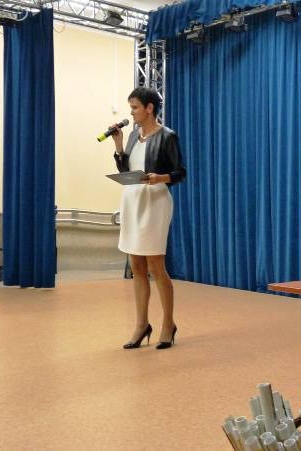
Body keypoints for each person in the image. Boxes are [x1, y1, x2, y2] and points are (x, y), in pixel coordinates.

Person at [110, 87, 186, 350]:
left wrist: (159, 177)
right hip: (132, 200)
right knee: (137, 265)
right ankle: (142, 324)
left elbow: (180, 172)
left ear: (149, 108)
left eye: (135, 107)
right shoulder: (133, 136)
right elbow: (125, 169)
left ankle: (168, 324)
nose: (131, 112)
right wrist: (118, 145)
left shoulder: (167, 136)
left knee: (155, 264)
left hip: (155, 202)